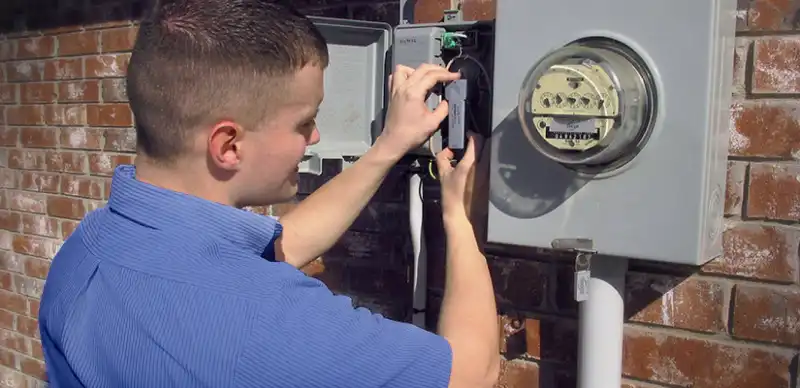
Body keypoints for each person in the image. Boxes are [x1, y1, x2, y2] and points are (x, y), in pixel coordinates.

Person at [38, 0, 500, 387]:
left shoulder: (88, 251)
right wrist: (461, 221)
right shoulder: (262, 321)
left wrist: (388, 147)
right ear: (228, 145)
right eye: (304, 122)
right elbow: (472, 374)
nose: (316, 137)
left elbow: (285, 243)